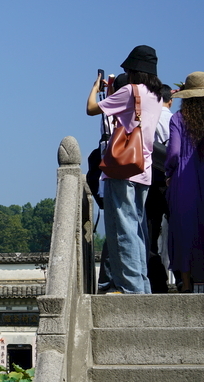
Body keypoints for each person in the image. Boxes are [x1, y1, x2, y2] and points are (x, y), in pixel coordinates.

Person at [87, 46, 165, 293]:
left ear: (133, 70)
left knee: (122, 229)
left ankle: (131, 287)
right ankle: (141, 283)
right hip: (144, 168)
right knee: (138, 228)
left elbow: (91, 109)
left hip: (121, 169)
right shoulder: (156, 95)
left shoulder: (130, 92)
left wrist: (96, 88)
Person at [166, 71, 204, 292]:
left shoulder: (178, 119)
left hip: (184, 181)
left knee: (184, 232)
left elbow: (173, 152)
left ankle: (187, 283)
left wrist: (169, 173)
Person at [146, 84, 174, 292]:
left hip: (154, 179)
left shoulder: (150, 119)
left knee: (151, 234)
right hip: (175, 180)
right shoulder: (177, 119)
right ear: (170, 100)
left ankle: (157, 281)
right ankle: (183, 277)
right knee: (178, 231)